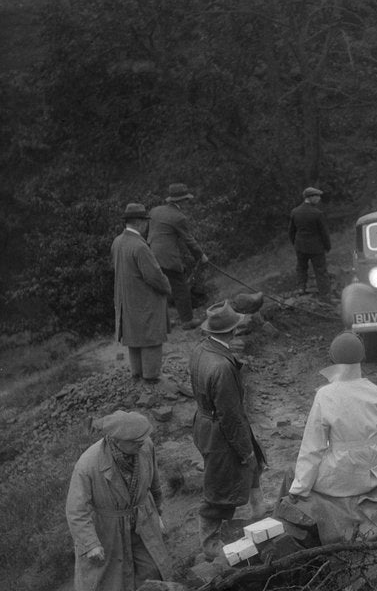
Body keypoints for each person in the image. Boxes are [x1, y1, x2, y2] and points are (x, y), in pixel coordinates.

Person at [283, 332, 377, 542]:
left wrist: (300, 488)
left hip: (339, 479)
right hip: (372, 474)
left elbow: (313, 447)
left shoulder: (325, 395)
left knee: (292, 473)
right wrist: (370, 449)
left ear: (333, 360)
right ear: (362, 358)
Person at [189, 301, 267, 561]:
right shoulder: (221, 367)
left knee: (254, 465)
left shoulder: (201, 349)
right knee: (219, 485)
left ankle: (260, 514)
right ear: (232, 331)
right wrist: (245, 450)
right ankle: (209, 542)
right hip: (220, 431)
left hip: (204, 422)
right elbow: (230, 417)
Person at [66, 410, 172, 591]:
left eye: (142, 439)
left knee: (154, 568)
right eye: (136, 441)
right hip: (109, 530)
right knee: (112, 581)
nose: (142, 443)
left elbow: (154, 483)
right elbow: (76, 509)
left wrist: (158, 511)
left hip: (143, 520)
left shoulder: (146, 446)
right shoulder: (88, 464)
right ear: (116, 440)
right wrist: (91, 544)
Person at [111, 203, 172, 384]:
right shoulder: (140, 246)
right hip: (144, 299)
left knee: (134, 336)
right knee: (150, 336)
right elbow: (154, 276)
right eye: (145, 221)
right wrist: (168, 287)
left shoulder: (117, 241)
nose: (146, 225)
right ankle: (151, 377)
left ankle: (137, 373)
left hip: (126, 299)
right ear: (140, 223)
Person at [148, 182, 208, 329]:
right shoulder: (178, 217)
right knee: (180, 289)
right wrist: (201, 256)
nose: (188, 203)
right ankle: (187, 321)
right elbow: (189, 240)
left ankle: (164, 322)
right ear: (182, 201)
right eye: (187, 200)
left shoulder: (154, 211)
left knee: (158, 291)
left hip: (149, 255)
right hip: (167, 258)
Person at [289, 186, 333, 300]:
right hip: (316, 248)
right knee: (320, 270)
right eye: (317, 196)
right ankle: (325, 293)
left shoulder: (295, 212)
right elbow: (324, 232)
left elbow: (291, 231)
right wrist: (327, 246)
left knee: (301, 268)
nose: (319, 199)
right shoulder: (317, 213)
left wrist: (295, 244)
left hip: (300, 246)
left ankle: (301, 288)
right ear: (310, 197)